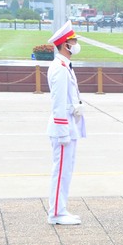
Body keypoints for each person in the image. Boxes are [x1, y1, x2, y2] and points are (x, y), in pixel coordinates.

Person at [45, 21, 86, 225]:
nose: (76, 44)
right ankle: (55, 213)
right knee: (60, 171)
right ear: (65, 44)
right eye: (73, 41)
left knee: (65, 170)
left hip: (69, 126)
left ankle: (61, 209)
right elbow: (58, 103)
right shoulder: (60, 68)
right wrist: (62, 132)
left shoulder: (65, 66)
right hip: (63, 128)